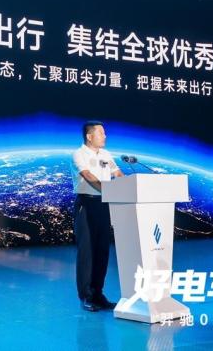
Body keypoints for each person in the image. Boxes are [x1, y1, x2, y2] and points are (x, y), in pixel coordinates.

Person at [71, 120, 124, 311]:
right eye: (101, 133)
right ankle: (86, 296)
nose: (105, 136)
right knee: (87, 251)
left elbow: (118, 173)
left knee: (102, 250)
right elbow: (88, 176)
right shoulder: (79, 154)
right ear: (89, 136)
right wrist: (108, 190)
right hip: (86, 204)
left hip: (104, 204)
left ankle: (98, 294)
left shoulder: (106, 154)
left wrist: (129, 187)